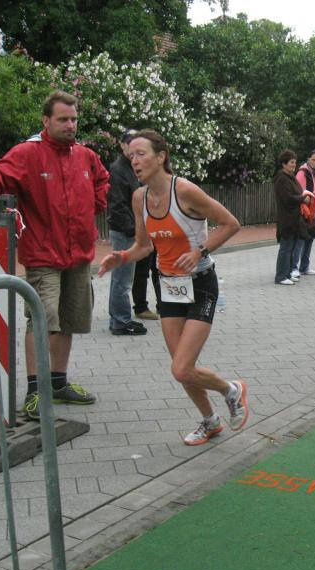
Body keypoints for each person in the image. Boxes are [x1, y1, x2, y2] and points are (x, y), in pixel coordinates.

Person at [98, 129, 248, 445]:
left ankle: (231, 390)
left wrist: (199, 252)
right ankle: (211, 421)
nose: (134, 160)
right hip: (168, 286)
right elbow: (143, 246)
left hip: (201, 283)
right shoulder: (139, 198)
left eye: (141, 154)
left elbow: (231, 224)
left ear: (161, 156)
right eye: (131, 155)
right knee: (182, 366)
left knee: (181, 368)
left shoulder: (185, 191)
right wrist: (121, 257)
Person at [0, 91, 109, 420]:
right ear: (46, 120)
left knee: (69, 319)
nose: (70, 125)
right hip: (44, 256)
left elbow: (103, 180)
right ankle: (35, 391)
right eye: (63, 119)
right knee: (43, 319)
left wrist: (95, 203)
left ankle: (58, 383)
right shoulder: (28, 154)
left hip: (79, 255)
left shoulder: (85, 156)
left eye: (74, 119)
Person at [107, 129, 147, 335]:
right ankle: (120, 322)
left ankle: (119, 317)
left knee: (122, 278)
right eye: (129, 143)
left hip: (129, 229)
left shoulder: (131, 167)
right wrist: (134, 230)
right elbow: (117, 205)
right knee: (122, 279)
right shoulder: (118, 169)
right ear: (122, 145)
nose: (133, 148)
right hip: (125, 231)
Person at [273, 149, 313, 285]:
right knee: (285, 247)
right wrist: (303, 198)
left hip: (295, 218)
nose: (293, 165)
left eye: (295, 162)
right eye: (291, 162)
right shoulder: (281, 178)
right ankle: (280, 276)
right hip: (286, 218)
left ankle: (288, 273)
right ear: (284, 164)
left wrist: (304, 196)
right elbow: (288, 198)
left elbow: (298, 192)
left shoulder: (291, 177)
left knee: (292, 247)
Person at [291, 150, 315, 278]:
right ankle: (294, 268)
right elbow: (299, 192)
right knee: (300, 239)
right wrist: (305, 209)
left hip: (313, 212)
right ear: (308, 159)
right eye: (313, 159)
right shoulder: (302, 173)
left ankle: (304, 267)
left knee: (310, 238)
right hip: (303, 211)